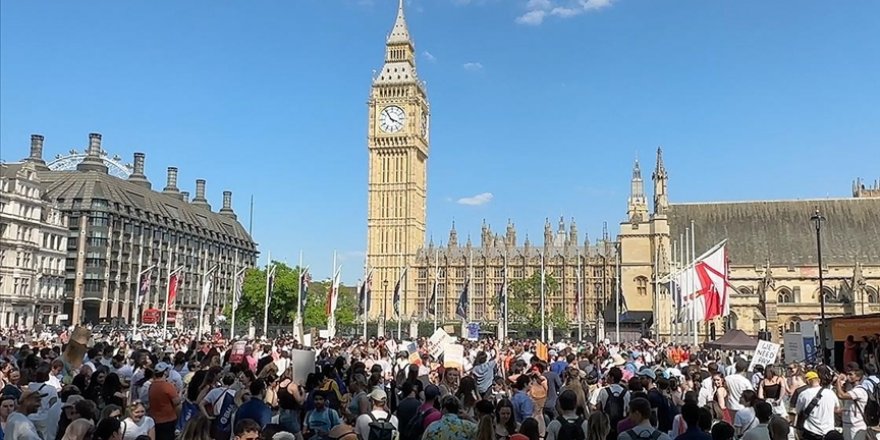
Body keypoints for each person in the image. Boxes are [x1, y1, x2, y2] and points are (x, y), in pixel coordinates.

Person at [795, 370, 838, 440]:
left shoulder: (803, 394)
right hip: (829, 432)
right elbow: (836, 408)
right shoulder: (831, 393)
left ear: (808, 381)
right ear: (818, 380)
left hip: (811, 432)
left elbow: (798, 411)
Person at [834, 369, 869, 440]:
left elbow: (841, 395)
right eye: (847, 374)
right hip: (847, 426)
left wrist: (838, 380)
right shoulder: (852, 391)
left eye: (851, 374)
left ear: (858, 377)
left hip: (856, 426)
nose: (848, 376)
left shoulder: (860, 390)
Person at [147, 363, 179, 440]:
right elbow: (176, 402)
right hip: (168, 420)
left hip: (155, 420)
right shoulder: (167, 386)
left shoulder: (152, 386)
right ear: (165, 372)